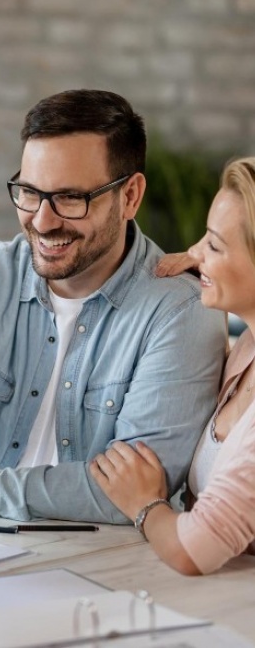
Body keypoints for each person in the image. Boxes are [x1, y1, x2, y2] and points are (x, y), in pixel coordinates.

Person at [0, 89, 227, 524]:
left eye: (70, 198)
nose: (43, 221)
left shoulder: (180, 313)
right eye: (30, 193)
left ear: (130, 196)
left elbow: (135, 494)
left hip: (96, 565)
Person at [92, 157, 255, 574]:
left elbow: (192, 552)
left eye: (214, 245)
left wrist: (146, 504)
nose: (195, 253)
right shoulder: (247, 345)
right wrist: (210, 266)